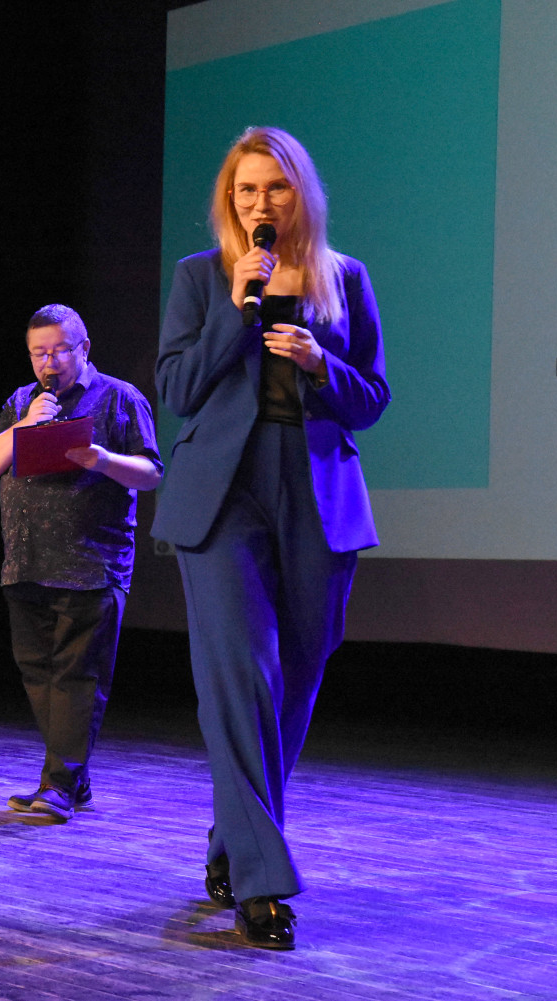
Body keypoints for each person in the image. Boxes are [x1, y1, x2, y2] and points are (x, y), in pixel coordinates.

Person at [152, 127, 389, 949]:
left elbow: (372, 398)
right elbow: (177, 387)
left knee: (295, 678)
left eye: (276, 188)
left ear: (301, 195)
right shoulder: (201, 276)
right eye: (246, 190)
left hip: (316, 494)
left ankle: (234, 836)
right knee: (237, 679)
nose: (261, 202)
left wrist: (322, 364)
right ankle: (262, 880)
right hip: (222, 495)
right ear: (231, 200)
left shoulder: (344, 277)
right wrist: (235, 308)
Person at [0, 305, 162, 821]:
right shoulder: (22, 401)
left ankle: (57, 785)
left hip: (92, 564)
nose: (49, 362)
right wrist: (24, 427)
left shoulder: (120, 397)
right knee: (38, 674)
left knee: (77, 678)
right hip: (26, 561)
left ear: (84, 348)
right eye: (39, 353)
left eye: (59, 350)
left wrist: (103, 459)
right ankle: (71, 780)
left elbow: (151, 472)